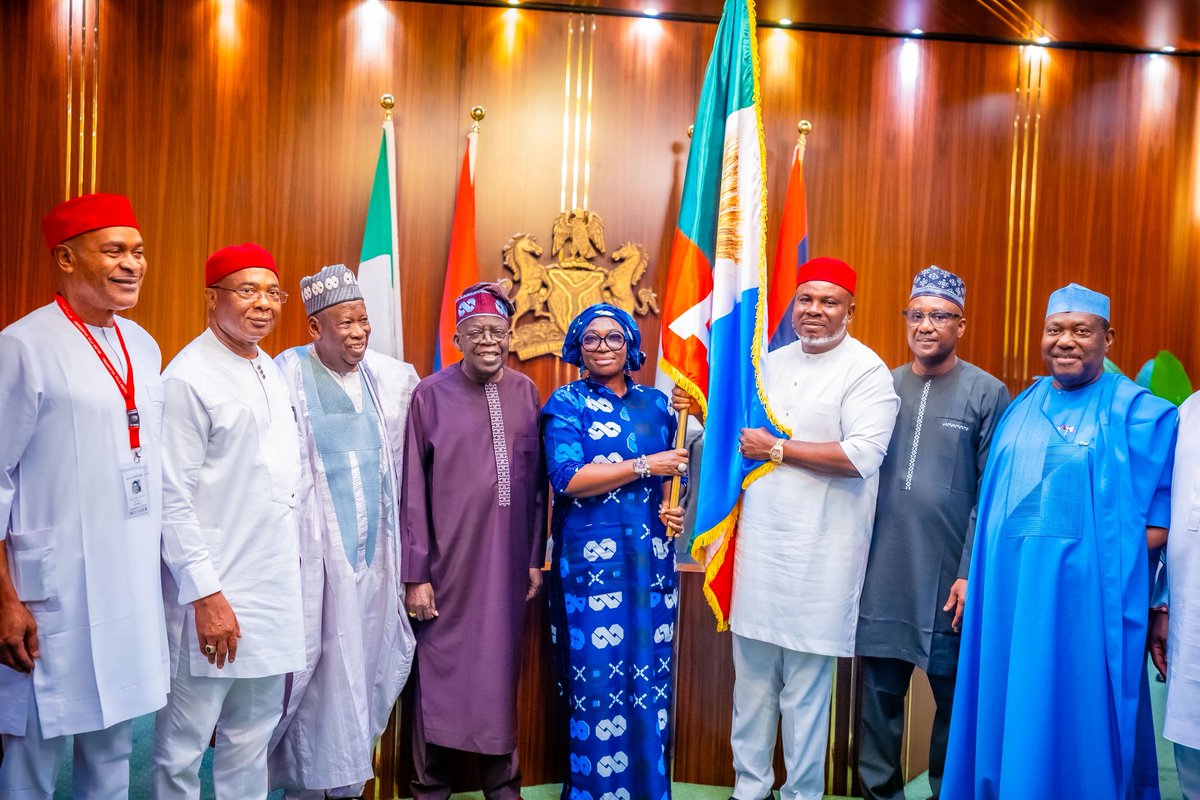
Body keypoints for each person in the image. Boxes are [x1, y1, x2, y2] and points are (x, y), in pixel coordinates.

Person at [943, 283, 1176, 800]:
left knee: (1079, 719)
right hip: (1009, 601)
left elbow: (1163, 524)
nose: (1065, 341)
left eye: (1080, 331)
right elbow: (996, 509)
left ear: (1107, 338)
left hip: (1084, 609)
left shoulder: (1142, 416)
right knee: (1009, 709)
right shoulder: (1020, 407)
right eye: (1055, 330)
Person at [682, 257, 898, 800]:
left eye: (829, 302)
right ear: (793, 306)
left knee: (805, 692)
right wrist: (699, 405)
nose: (815, 312)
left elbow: (862, 456)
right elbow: (734, 442)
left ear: (852, 309)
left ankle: (802, 793)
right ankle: (749, 789)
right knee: (751, 686)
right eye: (805, 300)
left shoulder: (867, 370)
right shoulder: (769, 365)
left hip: (822, 556)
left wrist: (777, 448)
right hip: (759, 550)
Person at [0, 193, 169, 799]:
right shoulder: (22, 345)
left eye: (139, 251)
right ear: (67, 259)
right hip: (49, 589)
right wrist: (5, 599)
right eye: (115, 250)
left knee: (114, 747)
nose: (133, 264)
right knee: (33, 754)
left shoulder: (144, 345)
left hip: (127, 583)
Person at [153, 243, 305, 800]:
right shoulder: (188, 377)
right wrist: (206, 594)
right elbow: (172, 498)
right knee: (183, 746)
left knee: (251, 737)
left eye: (272, 292)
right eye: (247, 291)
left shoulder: (269, 366)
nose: (263, 304)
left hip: (272, 589)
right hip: (212, 595)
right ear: (212, 298)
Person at [854, 266, 1009, 800]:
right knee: (877, 704)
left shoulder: (988, 392)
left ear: (960, 324)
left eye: (939, 316)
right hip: (882, 573)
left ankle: (949, 792)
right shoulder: (881, 386)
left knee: (953, 701)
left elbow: (990, 495)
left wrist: (968, 573)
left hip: (949, 579)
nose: (925, 325)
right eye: (916, 315)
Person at [269, 264, 418, 799]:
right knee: (317, 674)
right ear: (315, 329)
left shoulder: (394, 379)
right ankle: (308, 785)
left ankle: (349, 783)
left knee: (365, 669)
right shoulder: (284, 375)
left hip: (376, 559)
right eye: (345, 323)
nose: (358, 332)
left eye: (364, 321)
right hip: (313, 562)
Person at [400, 282, 546, 800]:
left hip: (505, 569)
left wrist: (533, 558)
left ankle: (504, 790)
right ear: (458, 337)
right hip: (446, 570)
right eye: (477, 332)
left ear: (510, 336)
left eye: (498, 331)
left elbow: (534, 484)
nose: (489, 341)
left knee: (497, 681)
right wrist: (416, 574)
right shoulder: (429, 395)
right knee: (437, 682)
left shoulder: (527, 391)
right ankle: (427, 790)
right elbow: (412, 490)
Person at [541, 304, 688, 800]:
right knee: (597, 689)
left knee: (650, 684)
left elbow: (676, 480)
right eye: (592, 339)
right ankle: (592, 792)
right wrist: (646, 464)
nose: (603, 347)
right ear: (577, 349)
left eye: (614, 338)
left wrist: (677, 508)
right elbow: (568, 479)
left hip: (650, 567)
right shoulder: (566, 403)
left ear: (630, 345)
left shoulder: (659, 406)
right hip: (591, 572)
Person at [1150, 387, 1199, 800]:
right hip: (1190, 609)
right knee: (1190, 730)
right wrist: (1161, 603)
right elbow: (1171, 510)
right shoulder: (1189, 411)